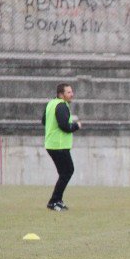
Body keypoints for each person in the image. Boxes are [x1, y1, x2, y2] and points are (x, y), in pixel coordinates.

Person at [42, 83, 81, 211]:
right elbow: (64, 126)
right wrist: (76, 126)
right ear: (61, 94)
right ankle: (54, 201)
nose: (71, 94)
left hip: (52, 144)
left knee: (64, 173)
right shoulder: (62, 105)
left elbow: (44, 121)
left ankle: (57, 200)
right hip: (59, 145)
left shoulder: (51, 104)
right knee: (68, 170)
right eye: (68, 92)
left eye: (71, 91)